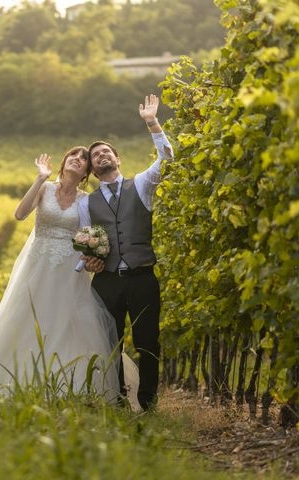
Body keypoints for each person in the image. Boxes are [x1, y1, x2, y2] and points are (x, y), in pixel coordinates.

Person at [0, 146, 139, 416]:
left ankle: (71, 387)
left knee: (68, 321)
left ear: (87, 172)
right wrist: (39, 177)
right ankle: (16, 384)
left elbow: (90, 234)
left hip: (69, 271)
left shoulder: (86, 200)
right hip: (38, 265)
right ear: (64, 163)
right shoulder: (45, 188)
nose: (77, 159)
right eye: (73, 155)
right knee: (28, 318)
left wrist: (95, 255)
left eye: (83, 159)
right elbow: (19, 214)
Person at [79, 94, 174, 412]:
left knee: (148, 343)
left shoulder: (143, 185)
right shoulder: (85, 203)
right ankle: (117, 399)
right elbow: (81, 240)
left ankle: (148, 402)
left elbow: (168, 158)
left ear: (117, 159)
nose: (102, 155)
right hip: (105, 282)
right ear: (92, 169)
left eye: (106, 151)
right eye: (95, 156)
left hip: (143, 277)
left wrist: (152, 122)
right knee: (110, 344)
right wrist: (86, 259)